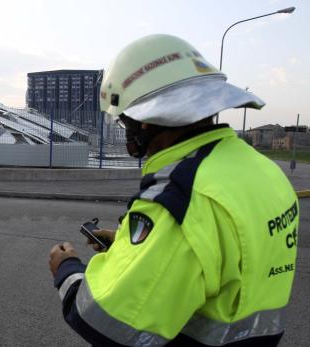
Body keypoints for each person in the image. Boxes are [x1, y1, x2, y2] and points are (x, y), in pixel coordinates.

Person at [48, 34, 299, 347]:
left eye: (127, 121)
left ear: (150, 120)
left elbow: (106, 321)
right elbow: (218, 252)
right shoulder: (262, 170)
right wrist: (127, 244)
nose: (127, 134)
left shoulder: (181, 197)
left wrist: (67, 269)